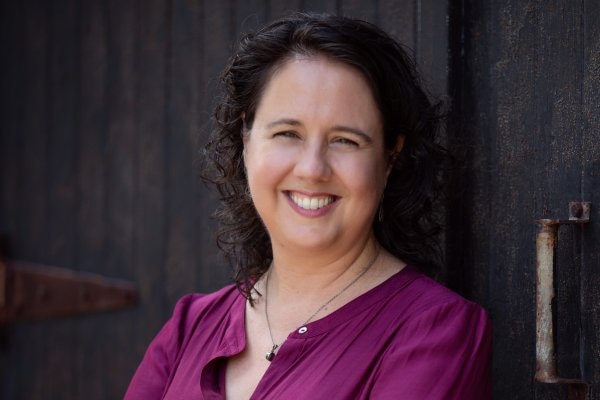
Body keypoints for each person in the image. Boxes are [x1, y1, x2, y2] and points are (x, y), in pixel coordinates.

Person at [125, 12, 491, 399]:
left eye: (346, 140)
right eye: (287, 133)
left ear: (389, 158)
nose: (312, 169)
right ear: (246, 140)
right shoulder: (189, 328)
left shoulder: (435, 333)